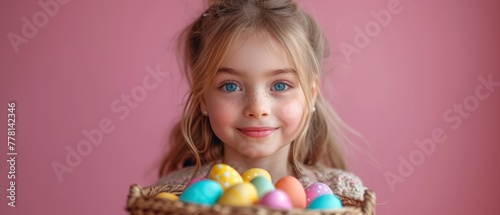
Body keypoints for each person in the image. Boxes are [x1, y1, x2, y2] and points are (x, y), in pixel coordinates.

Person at [156, 0, 367, 201]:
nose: (257, 109)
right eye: (231, 86)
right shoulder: (176, 196)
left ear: (311, 95)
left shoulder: (341, 194)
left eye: (280, 85)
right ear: (203, 98)